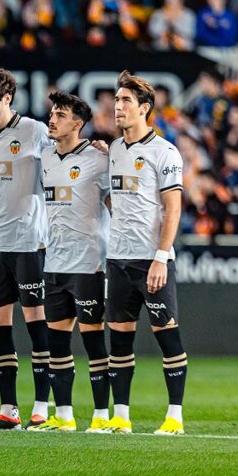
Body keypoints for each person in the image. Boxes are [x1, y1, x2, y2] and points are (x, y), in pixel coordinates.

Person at [0, 68, 52, 430]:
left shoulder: (35, 131)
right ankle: (8, 409)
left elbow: (62, 162)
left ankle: (43, 406)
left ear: (7, 98)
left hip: (29, 243)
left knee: (36, 321)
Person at [105, 71, 187, 435]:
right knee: (119, 339)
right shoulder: (113, 150)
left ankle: (175, 417)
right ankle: (120, 417)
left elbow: (173, 208)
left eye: (125, 101)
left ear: (144, 108)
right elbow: (113, 199)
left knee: (166, 335)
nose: (117, 106)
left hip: (151, 261)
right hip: (118, 259)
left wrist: (161, 256)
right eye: (116, 100)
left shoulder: (164, 152)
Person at [28, 91, 112, 433]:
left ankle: (103, 415)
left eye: (60, 115)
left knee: (93, 340)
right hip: (55, 263)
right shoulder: (46, 157)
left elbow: (117, 201)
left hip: (89, 264)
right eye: (52, 113)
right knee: (57, 342)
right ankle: (63, 416)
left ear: (77, 124)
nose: (52, 119)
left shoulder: (99, 158)